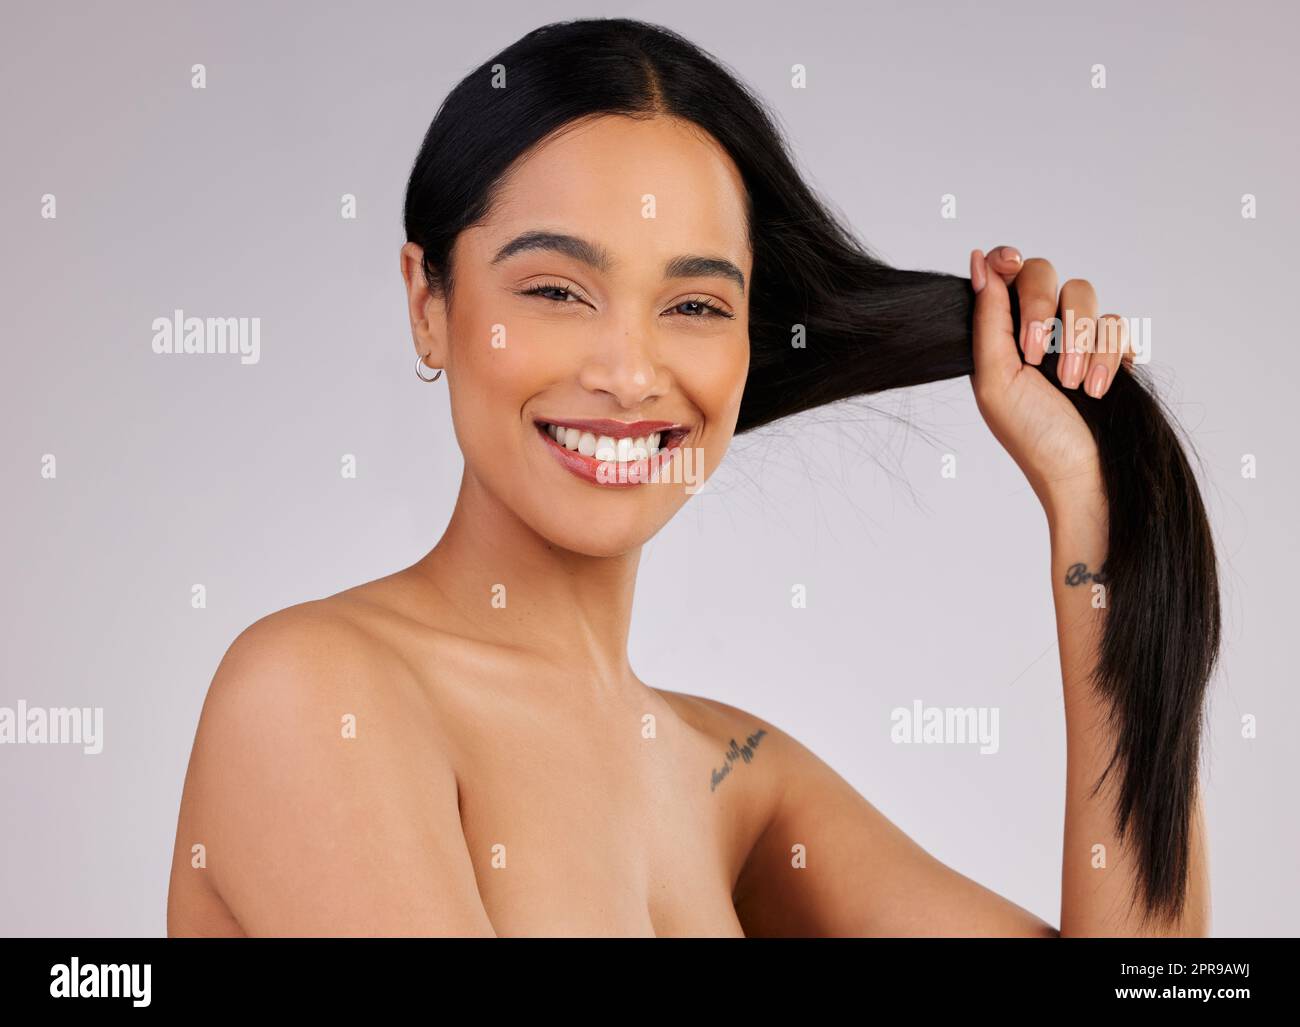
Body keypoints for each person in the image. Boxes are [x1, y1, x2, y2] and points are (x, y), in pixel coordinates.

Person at [167, 17, 1216, 937]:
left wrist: (1096, 506)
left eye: (696, 305)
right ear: (428, 302)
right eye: (555, 289)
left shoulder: (735, 781)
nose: (628, 374)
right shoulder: (312, 694)